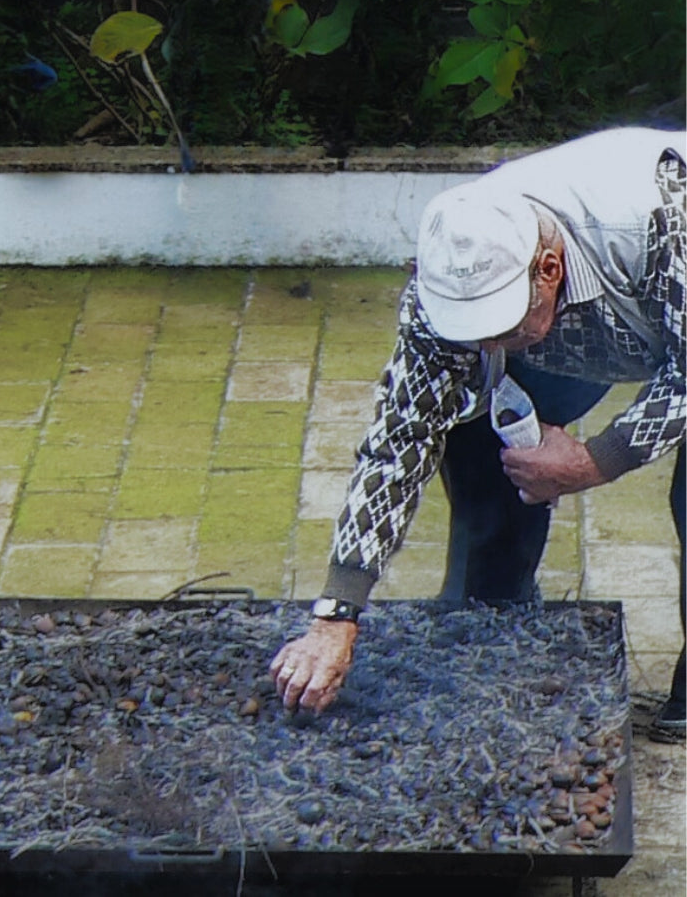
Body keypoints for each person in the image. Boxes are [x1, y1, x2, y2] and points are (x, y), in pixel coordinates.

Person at [271, 128, 686, 740]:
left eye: (502, 324)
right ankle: (492, 623)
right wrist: (337, 612)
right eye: (473, 330)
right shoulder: (453, 268)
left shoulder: (662, 219)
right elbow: (400, 438)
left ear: (549, 268)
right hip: (600, 328)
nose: (486, 345)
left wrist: (597, 460)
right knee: (473, 421)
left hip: (659, 287)